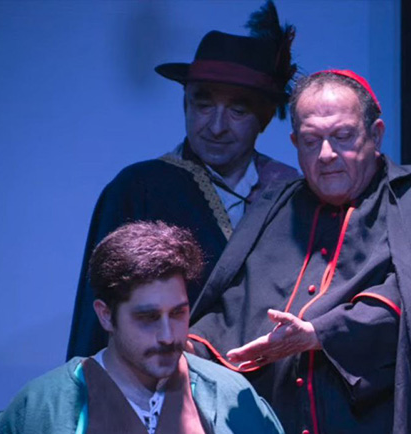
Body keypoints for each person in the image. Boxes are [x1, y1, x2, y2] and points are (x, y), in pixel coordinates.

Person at [187, 70, 411, 434]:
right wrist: (187, 348)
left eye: (343, 136)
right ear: (295, 144)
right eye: (311, 141)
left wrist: (321, 334)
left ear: (376, 134)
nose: (327, 154)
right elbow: (234, 305)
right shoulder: (276, 208)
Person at [0, 221, 296, 434]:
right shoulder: (41, 409)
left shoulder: (230, 399)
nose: (168, 335)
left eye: (178, 313)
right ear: (106, 316)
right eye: (148, 318)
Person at [67, 0, 301, 360]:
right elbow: (98, 320)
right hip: (169, 380)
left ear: (265, 118)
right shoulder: (139, 189)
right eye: (203, 105)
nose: (216, 126)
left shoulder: (288, 191)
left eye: (238, 110)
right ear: (185, 105)